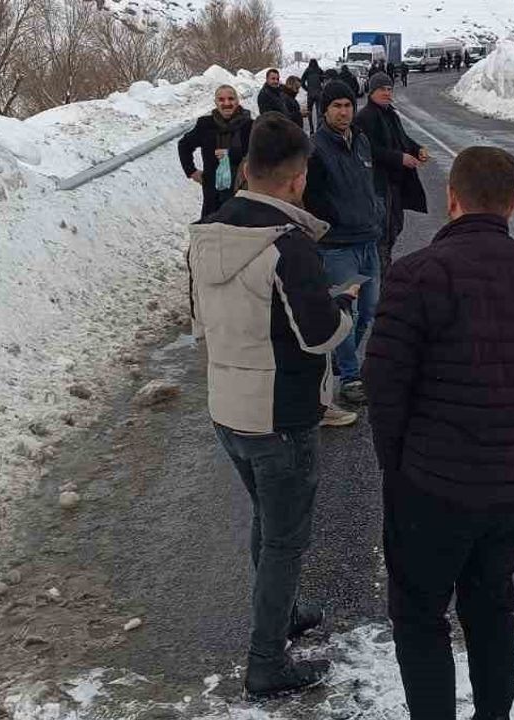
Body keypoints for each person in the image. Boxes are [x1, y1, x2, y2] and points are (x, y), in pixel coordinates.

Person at [364, 146, 514, 720]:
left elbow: (383, 387)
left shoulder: (414, 277)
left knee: (418, 614)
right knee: (491, 609)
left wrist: (401, 463)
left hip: (431, 489)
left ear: (451, 199)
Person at [188, 113, 361, 700]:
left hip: (227, 407)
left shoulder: (208, 235)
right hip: (280, 415)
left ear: (244, 169)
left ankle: (280, 614)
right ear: (296, 179)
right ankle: (267, 663)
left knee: (267, 520)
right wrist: (346, 309)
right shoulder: (288, 247)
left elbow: (204, 322)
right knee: (286, 538)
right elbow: (317, 336)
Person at [303, 81, 383, 408]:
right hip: (338, 247)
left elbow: (370, 183)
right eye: (336, 105)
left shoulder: (361, 142)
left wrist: (375, 210)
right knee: (345, 314)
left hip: (367, 241)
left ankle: (341, 358)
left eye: (348, 105)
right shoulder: (316, 148)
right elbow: (312, 196)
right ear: (325, 110)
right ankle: (350, 377)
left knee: (369, 309)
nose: (343, 111)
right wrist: (336, 218)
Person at [354, 72, 429, 281]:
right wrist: (399, 158)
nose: (387, 93)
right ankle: (380, 283)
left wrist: (417, 149)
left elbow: (402, 139)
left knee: (394, 228)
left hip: (394, 184)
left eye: (389, 89)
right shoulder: (365, 117)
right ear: (372, 91)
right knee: (382, 236)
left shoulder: (390, 114)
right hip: (378, 185)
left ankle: (382, 275)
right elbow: (369, 151)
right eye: (382, 90)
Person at [178, 85, 253, 220]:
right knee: (211, 234)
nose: (226, 103)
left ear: (237, 101)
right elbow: (184, 145)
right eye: (221, 99)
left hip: (242, 192)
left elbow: (261, 154)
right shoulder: (205, 125)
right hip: (213, 195)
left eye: (231, 99)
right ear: (215, 102)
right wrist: (191, 171)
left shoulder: (250, 126)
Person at [301, 59, 325, 133]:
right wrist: (321, 87)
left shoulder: (307, 71)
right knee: (319, 112)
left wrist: (307, 89)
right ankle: (318, 128)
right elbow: (323, 79)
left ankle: (311, 129)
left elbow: (302, 82)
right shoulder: (319, 70)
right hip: (318, 93)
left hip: (310, 94)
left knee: (309, 112)